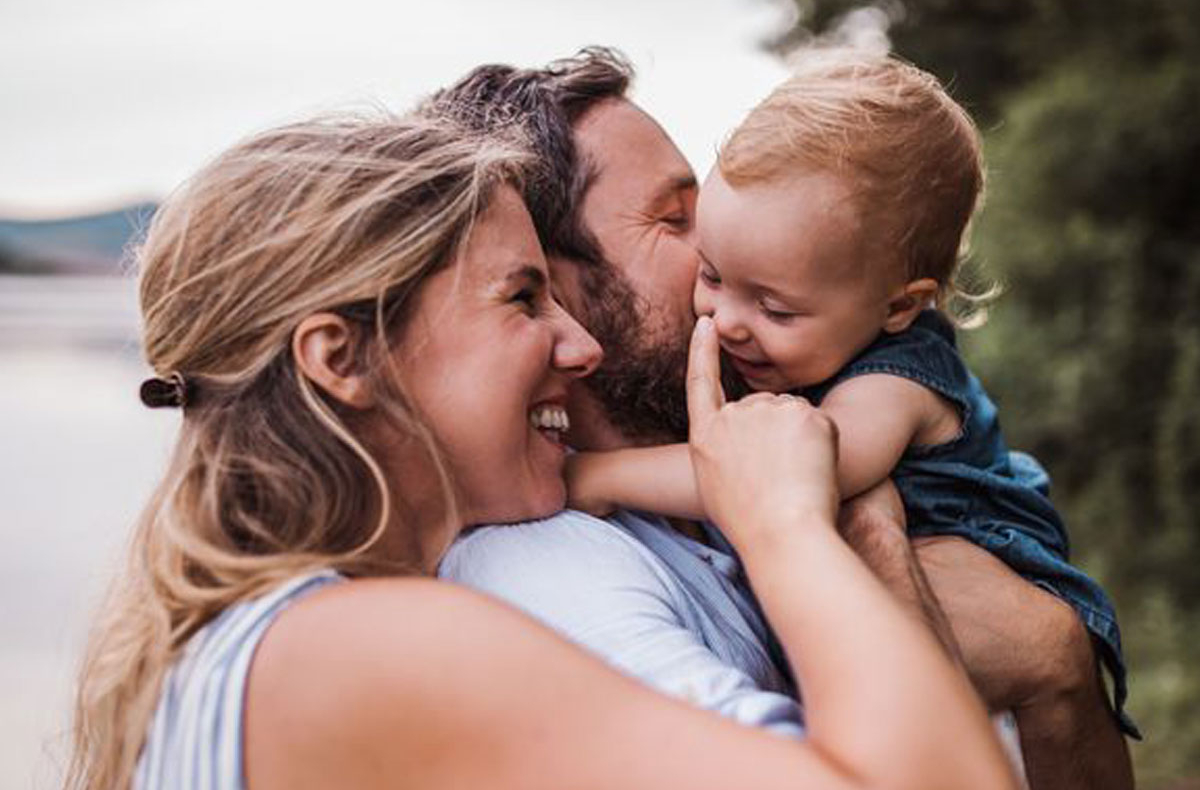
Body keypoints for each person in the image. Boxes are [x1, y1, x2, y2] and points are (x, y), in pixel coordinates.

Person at [65, 110, 1014, 790]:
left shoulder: (265, 641)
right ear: (342, 358)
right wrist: (782, 519)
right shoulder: (362, 648)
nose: (582, 348)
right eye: (522, 299)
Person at [429, 49, 1134, 790]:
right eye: (677, 221)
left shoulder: (831, 409)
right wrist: (881, 550)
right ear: (551, 281)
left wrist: (1057, 662)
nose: (725, 255)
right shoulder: (554, 576)